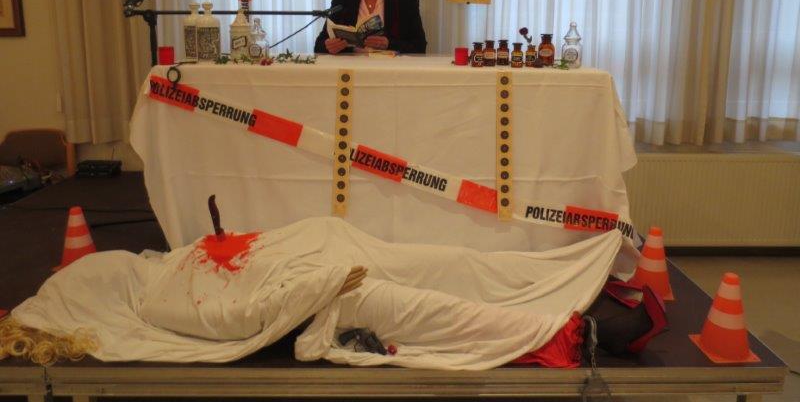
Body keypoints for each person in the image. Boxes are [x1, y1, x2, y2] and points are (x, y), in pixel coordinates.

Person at [0, 216, 663, 369]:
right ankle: (576, 332)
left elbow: (264, 247)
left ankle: (566, 279)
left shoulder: (170, 262)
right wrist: (320, 280)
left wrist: (318, 247)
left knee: (455, 260)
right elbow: (237, 318)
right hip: (325, 297)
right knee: (432, 310)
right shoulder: (160, 302)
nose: (119, 262)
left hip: (334, 256)